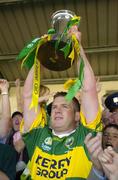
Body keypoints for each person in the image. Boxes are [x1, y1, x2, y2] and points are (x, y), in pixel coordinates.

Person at [21, 26, 102, 179]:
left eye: (65, 106)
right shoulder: (37, 135)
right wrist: (40, 56)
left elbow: (88, 89)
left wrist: (77, 47)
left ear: (78, 116)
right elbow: (27, 97)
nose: (57, 110)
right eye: (55, 107)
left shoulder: (85, 137)